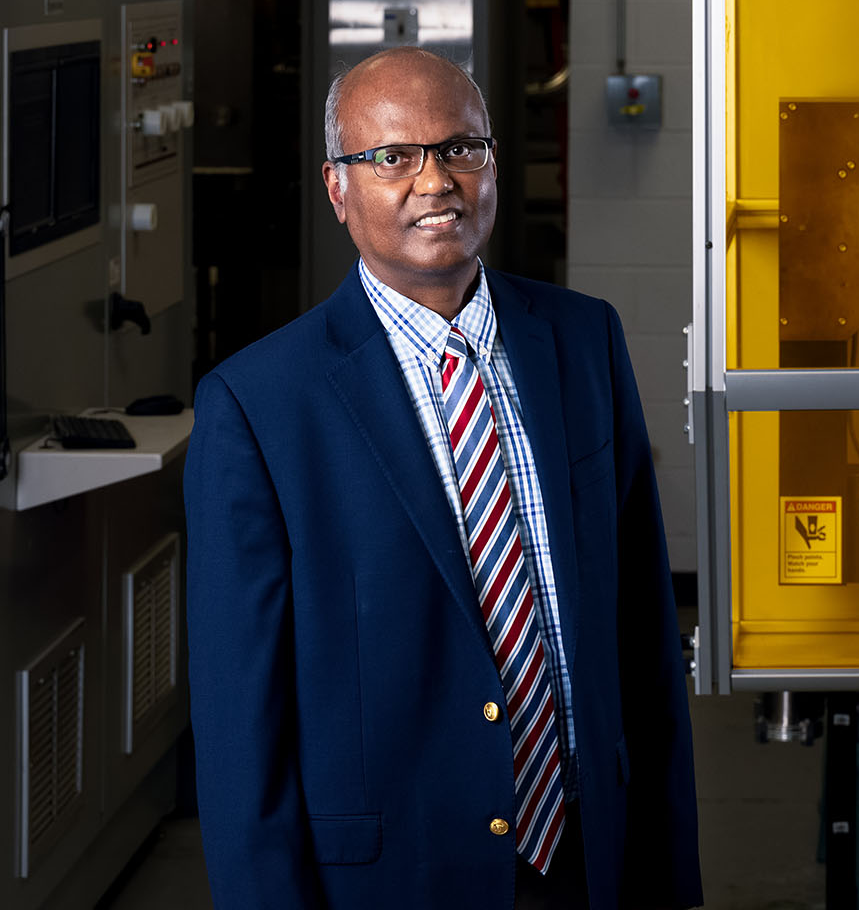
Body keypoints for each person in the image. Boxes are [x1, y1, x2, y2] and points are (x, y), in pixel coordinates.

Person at [185, 46, 703, 910]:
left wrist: (668, 870)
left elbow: (642, 628)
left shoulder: (583, 342)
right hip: (392, 875)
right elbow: (242, 718)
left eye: (462, 148)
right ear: (336, 188)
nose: (436, 181)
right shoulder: (260, 403)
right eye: (393, 157)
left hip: (587, 853)